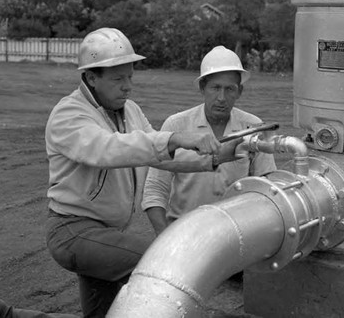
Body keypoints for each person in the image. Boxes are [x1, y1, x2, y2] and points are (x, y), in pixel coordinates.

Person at [45, 28, 240, 318]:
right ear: (91, 78)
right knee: (160, 262)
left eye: (130, 77)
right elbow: (108, 148)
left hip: (107, 235)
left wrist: (212, 159)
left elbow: (159, 156)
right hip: (73, 233)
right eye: (118, 79)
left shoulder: (130, 110)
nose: (127, 87)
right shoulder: (69, 115)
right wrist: (174, 137)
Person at [142, 45, 277, 238]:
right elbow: (155, 189)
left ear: (240, 91)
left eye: (229, 89)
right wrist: (164, 238)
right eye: (215, 88)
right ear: (202, 88)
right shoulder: (177, 125)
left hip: (235, 237)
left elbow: (267, 186)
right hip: (183, 233)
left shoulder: (253, 126)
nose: (221, 98)